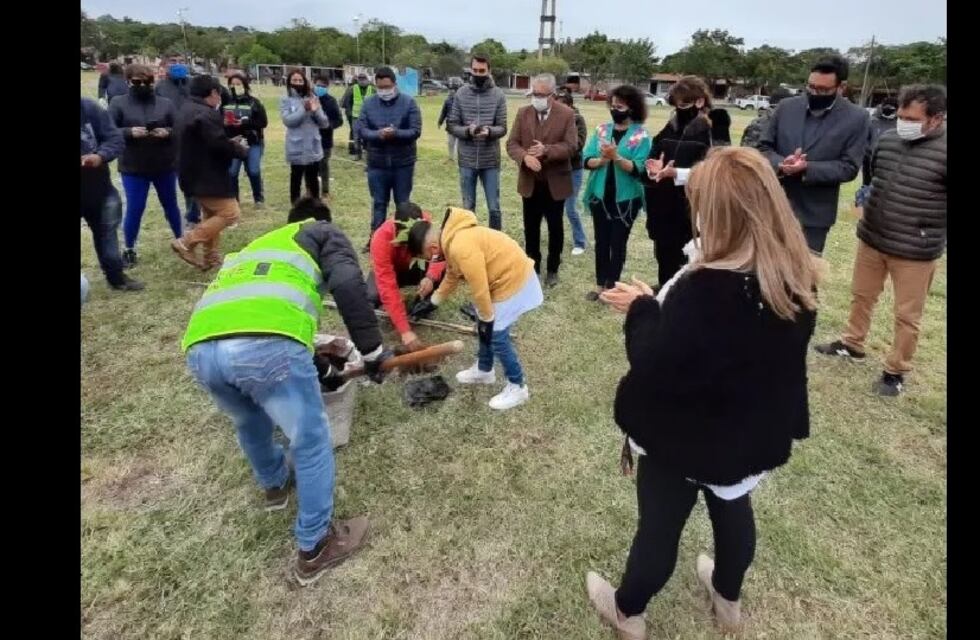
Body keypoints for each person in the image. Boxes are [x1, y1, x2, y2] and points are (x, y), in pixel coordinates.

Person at [587, 147, 820, 639]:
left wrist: (643, 308)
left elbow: (655, 362)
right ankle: (727, 597)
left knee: (659, 527)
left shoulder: (707, 288)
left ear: (716, 211)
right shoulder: (793, 274)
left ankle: (628, 611)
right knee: (733, 512)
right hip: (747, 434)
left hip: (683, 433)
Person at [181, 196, 393, 587]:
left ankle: (275, 485)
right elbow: (347, 283)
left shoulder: (261, 248)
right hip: (264, 345)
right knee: (311, 439)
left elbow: (264, 314)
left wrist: (321, 367)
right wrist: (374, 352)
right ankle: (315, 547)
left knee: (249, 419)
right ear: (320, 222)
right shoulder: (324, 230)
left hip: (201, 344)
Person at [815, 85, 947, 397]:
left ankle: (895, 371)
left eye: (912, 118)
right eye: (901, 116)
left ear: (937, 119)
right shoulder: (887, 140)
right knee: (861, 296)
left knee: (907, 315)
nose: (904, 123)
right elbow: (872, 178)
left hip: (916, 249)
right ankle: (852, 343)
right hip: (873, 237)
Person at [408, 207, 543, 411]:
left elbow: (479, 289)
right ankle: (484, 370)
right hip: (501, 279)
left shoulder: (461, 247)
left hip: (514, 280)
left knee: (496, 335)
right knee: (484, 324)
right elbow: (452, 276)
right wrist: (431, 303)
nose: (431, 262)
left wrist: (488, 319)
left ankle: (518, 386)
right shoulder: (451, 239)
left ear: (434, 249)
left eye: (428, 258)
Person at [759, 55, 870, 255]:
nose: (815, 93)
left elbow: (849, 167)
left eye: (823, 90)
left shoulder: (857, 118)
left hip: (814, 215)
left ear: (841, 87)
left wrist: (807, 168)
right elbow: (763, 148)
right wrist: (781, 164)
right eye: (811, 87)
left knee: (803, 278)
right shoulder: (786, 107)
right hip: (770, 206)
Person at [640, 76, 715, 287]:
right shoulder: (669, 127)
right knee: (663, 254)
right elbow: (655, 155)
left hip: (689, 209)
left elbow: (713, 171)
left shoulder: (711, 130)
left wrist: (678, 174)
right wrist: (652, 167)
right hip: (662, 205)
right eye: (676, 105)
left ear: (699, 102)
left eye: (684, 105)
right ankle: (664, 287)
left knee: (688, 258)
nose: (679, 110)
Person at [505, 73, 578, 288]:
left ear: (552, 95)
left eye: (540, 94)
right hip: (531, 183)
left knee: (555, 228)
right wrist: (525, 157)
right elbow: (512, 144)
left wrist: (547, 150)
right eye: (533, 93)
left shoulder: (567, 114)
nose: (536, 97)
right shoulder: (523, 113)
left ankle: (553, 268)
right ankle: (533, 268)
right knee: (531, 228)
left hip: (555, 184)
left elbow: (571, 146)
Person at [170, 75, 249, 270]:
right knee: (230, 213)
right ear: (213, 93)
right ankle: (186, 241)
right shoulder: (206, 114)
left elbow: (205, 141)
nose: (220, 98)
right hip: (207, 174)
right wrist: (238, 149)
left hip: (191, 172)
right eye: (219, 94)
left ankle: (211, 258)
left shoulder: (184, 109)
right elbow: (218, 144)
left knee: (211, 214)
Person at [581, 85, 652, 300]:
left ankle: (612, 286)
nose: (615, 110)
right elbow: (587, 160)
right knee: (601, 241)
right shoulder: (602, 130)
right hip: (600, 196)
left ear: (631, 108)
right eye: (612, 106)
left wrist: (617, 158)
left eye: (619, 106)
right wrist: (602, 159)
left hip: (626, 200)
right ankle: (600, 284)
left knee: (617, 243)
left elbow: (640, 168)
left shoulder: (641, 136)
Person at [109, 64, 182, 268]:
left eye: (147, 82)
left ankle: (182, 240)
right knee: (135, 208)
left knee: (171, 205)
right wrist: (129, 132)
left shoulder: (165, 103)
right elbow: (109, 130)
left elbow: (178, 128)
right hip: (133, 166)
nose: (142, 85)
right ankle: (129, 248)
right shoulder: (118, 103)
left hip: (164, 164)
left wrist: (167, 132)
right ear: (128, 82)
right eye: (136, 82)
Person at [81, 97, 144, 292]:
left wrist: (100, 155)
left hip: (99, 188)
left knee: (107, 234)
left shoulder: (88, 107)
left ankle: (116, 277)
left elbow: (114, 138)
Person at [366, 202, 447, 350]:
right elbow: (387, 284)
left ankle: (424, 304)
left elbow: (439, 253)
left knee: (441, 272)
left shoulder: (424, 223)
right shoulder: (381, 239)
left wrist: (430, 277)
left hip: (415, 267)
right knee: (372, 295)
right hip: (393, 271)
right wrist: (405, 331)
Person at [356, 66, 423, 237]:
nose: (384, 91)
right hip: (377, 164)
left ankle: (403, 240)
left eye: (387, 87)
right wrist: (378, 134)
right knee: (379, 203)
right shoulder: (369, 103)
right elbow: (361, 129)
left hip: (403, 164)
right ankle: (376, 239)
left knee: (402, 204)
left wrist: (396, 133)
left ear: (394, 84)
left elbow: (415, 131)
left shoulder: (409, 103)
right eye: (380, 88)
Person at [448, 54, 509, 230]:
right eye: (475, 70)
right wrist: (468, 131)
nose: (478, 73)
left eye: (482, 71)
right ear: (470, 70)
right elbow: (452, 125)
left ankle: (496, 241)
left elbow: (503, 127)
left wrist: (489, 131)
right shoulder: (461, 93)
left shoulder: (498, 95)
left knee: (494, 207)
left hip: (490, 160)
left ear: (489, 71)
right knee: (468, 207)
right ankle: (470, 241)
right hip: (467, 159)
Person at [156, 62, 200, 228]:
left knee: (191, 177)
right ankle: (173, 213)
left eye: (179, 61)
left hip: (194, 135)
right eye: (172, 62)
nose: (177, 66)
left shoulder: (193, 83)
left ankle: (193, 215)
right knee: (176, 179)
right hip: (170, 139)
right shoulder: (160, 87)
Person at [281, 69, 330, 204]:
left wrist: (316, 111)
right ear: (289, 82)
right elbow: (289, 121)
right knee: (296, 177)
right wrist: (304, 109)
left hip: (312, 144)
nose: (297, 83)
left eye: (300, 80)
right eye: (294, 80)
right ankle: (295, 205)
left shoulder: (313, 97)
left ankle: (315, 205)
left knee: (313, 177)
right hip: (295, 144)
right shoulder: (286, 100)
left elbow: (324, 123)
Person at [223, 71, 268, 208]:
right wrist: (224, 123)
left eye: (239, 84)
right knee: (232, 172)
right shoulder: (225, 103)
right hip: (233, 142)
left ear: (245, 85)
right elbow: (217, 121)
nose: (236, 86)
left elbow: (263, 122)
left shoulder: (254, 102)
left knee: (253, 170)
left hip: (253, 142)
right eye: (233, 84)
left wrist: (245, 123)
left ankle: (258, 198)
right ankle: (234, 199)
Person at [556, 89, 590, 256]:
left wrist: (557, 149)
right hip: (555, 170)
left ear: (570, 106)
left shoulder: (578, 120)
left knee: (570, 208)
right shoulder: (551, 119)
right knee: (554, 207)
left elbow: (578, 145)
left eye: (562, 106)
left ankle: (580, 241)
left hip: (573, 170)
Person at [854, 96, 898, 212]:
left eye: (892, 108)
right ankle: (863, 205)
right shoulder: (873, 121)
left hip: (890, 160)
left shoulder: (898, 124)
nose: (888, 110)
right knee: (868, 185)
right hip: (869, 159)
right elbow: (864, 139)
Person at [313, 75, 344, 199]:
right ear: (314, 84)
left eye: (323, 86)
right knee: (310, 166)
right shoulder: (307, 98)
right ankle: (311, 190)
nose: (320, 88)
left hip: (325, 139)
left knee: (323, 164)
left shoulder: (331, 101)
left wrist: (328, 125)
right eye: (318, 85)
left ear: (327, 87)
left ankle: (325, 191)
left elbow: (339, 120)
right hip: (309, 138)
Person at [341, 73, 376, 160]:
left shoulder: (373, 89)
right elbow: (346, 103)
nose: (362, 81)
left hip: (369, 118)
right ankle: (357, 154)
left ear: (367, 79)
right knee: (356, 137)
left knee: (368, 136)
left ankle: (368, 154)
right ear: (358, 80)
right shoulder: (352, 89)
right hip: (355, 117)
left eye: (364, 79)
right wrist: (349, 114)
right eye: (360, 79)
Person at [437, 87, 457, 163]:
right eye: (450, 90)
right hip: (450, 125)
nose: (452, 91)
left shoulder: (463, 101)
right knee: (450, 142)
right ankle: (451, 158)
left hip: (460, 125)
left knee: (459, 144)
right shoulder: (447, 101)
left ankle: (459, 158)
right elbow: (443, 112)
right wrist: (440, 122)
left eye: (454, 89)